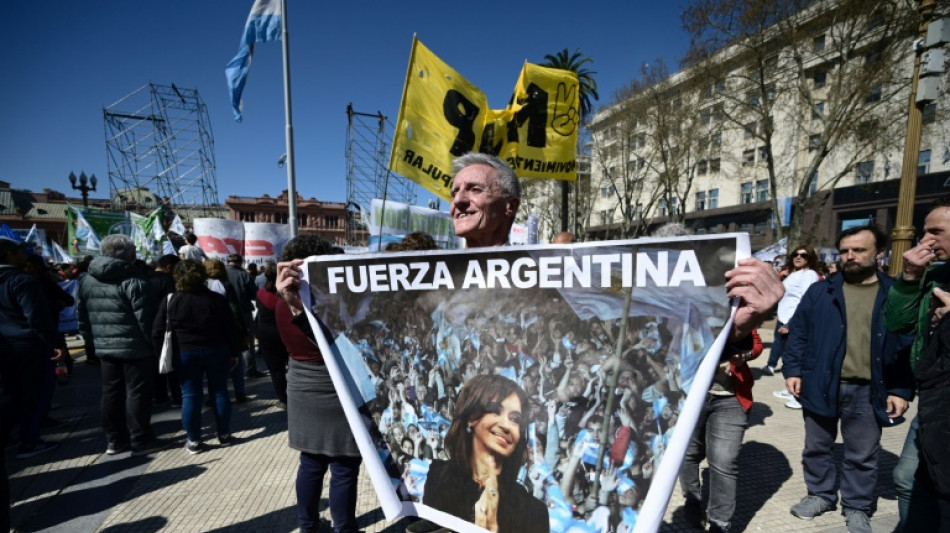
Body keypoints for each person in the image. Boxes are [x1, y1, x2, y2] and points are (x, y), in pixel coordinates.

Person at [782, 225, 913, 533]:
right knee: (816, 447)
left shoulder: (893, 292)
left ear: (879, 253)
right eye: (844, 251)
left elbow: (904, 345)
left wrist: (900, 389)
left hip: (870, 390)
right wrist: (793, 371)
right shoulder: (821, 290)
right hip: (820, 383)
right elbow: (798, 333)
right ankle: (820, 495)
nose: (849, 256)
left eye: (859, 250)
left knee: (862, 454)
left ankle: (857, 507)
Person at [276, 235, 365, 533]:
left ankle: (308, 526)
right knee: (344, 465)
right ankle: (344, 528)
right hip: (335, 383)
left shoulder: (280, 298)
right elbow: (338, 343)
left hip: (301, 383)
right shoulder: (324, 302)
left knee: (311, 462)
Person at [884, 198, 950, 532]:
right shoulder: (934, 276)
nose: (925, 241)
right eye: (924, 232)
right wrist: (910, 276)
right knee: (907, 476)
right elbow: (895, 322)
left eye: (936, 232)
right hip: (934, 402)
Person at [78, 234, 169, 456]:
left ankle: (115, 441)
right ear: (129, 254)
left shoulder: (87, 280)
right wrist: (156, 349)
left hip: (104, 346)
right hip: (136, 348)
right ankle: (141, 440)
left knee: (111, 393)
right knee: (137, 394)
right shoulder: (134, 281)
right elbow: (147, 321)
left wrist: (92, 344)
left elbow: (82, 316)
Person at [421, 374, 547, 533]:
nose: (506, 425)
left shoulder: (534, 512)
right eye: (495, 410)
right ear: (471, 418)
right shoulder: (439, 477)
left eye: (515, 419)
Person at [0, 236, 65, 530]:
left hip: (5, 351)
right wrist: (54, 343)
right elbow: (36, 318)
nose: (24, 255)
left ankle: (19, 436)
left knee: (12, 396)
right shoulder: (22, 281)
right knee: (35, 394)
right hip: (28, 348)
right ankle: (29, 439)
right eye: (19, 251)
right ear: (10, 254)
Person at [152, 260, 240, 454]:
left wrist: (163, 355)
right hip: (216, 350)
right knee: (219, 392)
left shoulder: (172, 300)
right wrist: (234, 352)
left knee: (190, 396)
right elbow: (231, 328)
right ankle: (224, 435)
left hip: (185, 353)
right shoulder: (216, 299)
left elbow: (157, 332)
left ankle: (193, 440)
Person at [764, 245, 820, 392]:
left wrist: (790, 323)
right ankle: (792, 387)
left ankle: (795, 390)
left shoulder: (809, 274)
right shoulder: (795, 274)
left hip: (794, 320)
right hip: (784, 317)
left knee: (793, 354)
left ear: (810, 258)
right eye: (796, 254)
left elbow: (806, 300)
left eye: (804, 255)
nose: (798, 257)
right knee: (788, 353)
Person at [149, 254, 182, 407]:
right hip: (168, 328)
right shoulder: (170, 281)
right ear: (169, 267)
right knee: (172, 363)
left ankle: (159, 395)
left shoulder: (144, 279)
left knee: (156, 363)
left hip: (149, 327)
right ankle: (177, 397)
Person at [226, 253, 265, 378]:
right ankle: (250, 370)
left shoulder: (220, 275)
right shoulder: (244, 275)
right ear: (239, 262)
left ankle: (228, 371)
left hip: (224, 313)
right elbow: (254, 295)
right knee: (247, 342)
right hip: (243, 312)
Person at [256, 267, 289, 408]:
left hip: (266, 334)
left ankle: (283, 399)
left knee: (276, 370)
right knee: (293, 366)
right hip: (285, 332)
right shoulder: (286, 295)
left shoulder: (260, 293)